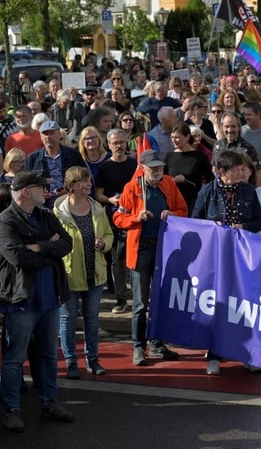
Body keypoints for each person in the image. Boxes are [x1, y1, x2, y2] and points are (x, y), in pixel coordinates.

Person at [0, 172, 74, 432]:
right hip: (21, 302)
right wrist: (48, 247)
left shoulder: (46, 215)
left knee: (49, 355)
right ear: (26, 192)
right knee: (15, 358)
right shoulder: (4, 222)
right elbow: (19, 259)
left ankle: (49, 403)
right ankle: (12, 410)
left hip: (49, 299)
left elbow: (67, 243)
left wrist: (37, 247)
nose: (46, 191)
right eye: (41, 187)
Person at [192, 150, 261, 375]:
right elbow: (194, 220)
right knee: (218, 306)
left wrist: (244, 227)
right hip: (216, 258)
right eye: (235, 171)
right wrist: (211, 226)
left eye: (242, 170)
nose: (241, 174)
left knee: (243, 305)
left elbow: (259, 220)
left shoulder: (247, 190)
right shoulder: (207, 192)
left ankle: (245, 354)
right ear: (222, 172)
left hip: (243, 257)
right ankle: (214, 354)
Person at [113, 150, 188, 366]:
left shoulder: (168, 184)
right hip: (141, 249)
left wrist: (173, 215)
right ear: (143, 168)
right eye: (153, 167)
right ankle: (138, 346)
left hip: (165, 249)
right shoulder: (132, 187)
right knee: (139, 303)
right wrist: (135, 218)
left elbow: (183, 210)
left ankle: (156, 343)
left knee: (160, 300)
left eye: (160, 167)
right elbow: (118, 217)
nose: (157, 171)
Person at [54, 167, 113, 378]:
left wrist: (104, 243)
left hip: (95, 273)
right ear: (72, 185)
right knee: (67, 319)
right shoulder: (58, 211)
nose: (89, 184)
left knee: (92, 319)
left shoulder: (97, 208)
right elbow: (54, 241)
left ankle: (93, 359)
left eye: (89, 180)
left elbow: (108, 234)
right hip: (70, 274)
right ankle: (70, 361)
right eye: (84, 181)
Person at [95, 129, 138, 314]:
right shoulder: (104, 168)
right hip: (114, 216)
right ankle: (121, 298)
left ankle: (139, 298)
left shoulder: (134, 164)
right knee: (116, 259)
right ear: (108, 145)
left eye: (121, 142)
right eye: (115, 143)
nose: (119, 146)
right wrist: (110, 200)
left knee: (136, 258)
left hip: (135, 217)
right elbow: (98, 194)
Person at [24, 120, 87, 208]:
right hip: (43, 206)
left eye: (52, 133)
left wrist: (69, 189)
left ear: (59, 135)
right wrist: (39, 192)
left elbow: (85, 178)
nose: (48, 137)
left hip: (71, 202)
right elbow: (26, 184)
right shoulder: (32, 159)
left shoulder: (73, 155)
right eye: (45, 134)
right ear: (41, 137)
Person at [164, 123, 213, 211]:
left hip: (194, 202)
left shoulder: (199, 156)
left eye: (177, 137)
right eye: (172, 137)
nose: (174, 140)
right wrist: (173, 180)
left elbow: (210, 180)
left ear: (187, 137)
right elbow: (162, 180)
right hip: (174, 202)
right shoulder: (168, 156)